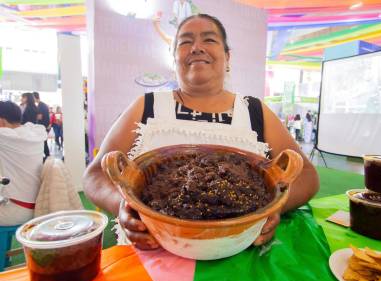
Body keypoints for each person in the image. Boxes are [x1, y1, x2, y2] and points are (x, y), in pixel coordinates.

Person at [83, 14, 319, 250]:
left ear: (227, 57)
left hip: (239, 258)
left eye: (209, 40)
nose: (196, 48)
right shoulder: (146, 106)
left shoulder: (255, 111)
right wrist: (125, 206)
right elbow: (95, 175)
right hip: (152, 259)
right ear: (174, 58)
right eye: (185, 42)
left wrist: (273, 207)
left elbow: (307, 175)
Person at [0, 101, 47, 226]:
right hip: (37, 206)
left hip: (15, 210)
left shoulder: (4, 135)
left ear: (1, 121)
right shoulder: (34, 132)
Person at [33, 92, 51, 159]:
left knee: (43, 142)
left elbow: (39, 117)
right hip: (45, 126)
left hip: (44, 126)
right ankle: (47, 156)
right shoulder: (42, 105)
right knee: (43, 142)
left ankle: (47, 156)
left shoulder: (41, 106)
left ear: (35, 97)